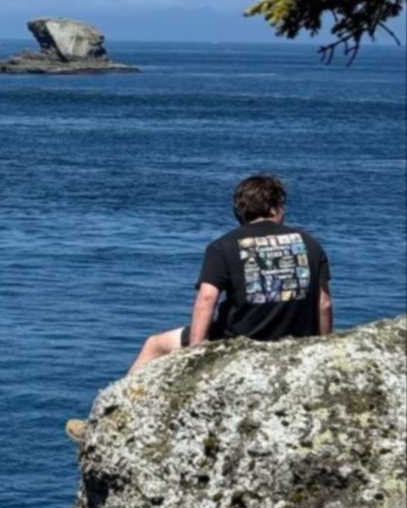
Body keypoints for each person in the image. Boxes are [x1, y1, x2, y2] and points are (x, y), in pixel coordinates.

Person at [65, 173, 333, 443]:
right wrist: (321, 348)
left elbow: (207, 299)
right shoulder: (310, 244)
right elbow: (323, 303)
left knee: (155, 345)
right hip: (295, 342)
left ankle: (110, 422)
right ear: (275, 208)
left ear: (240, 212)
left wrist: (196, 352)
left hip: (239, 339)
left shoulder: (223, 247)